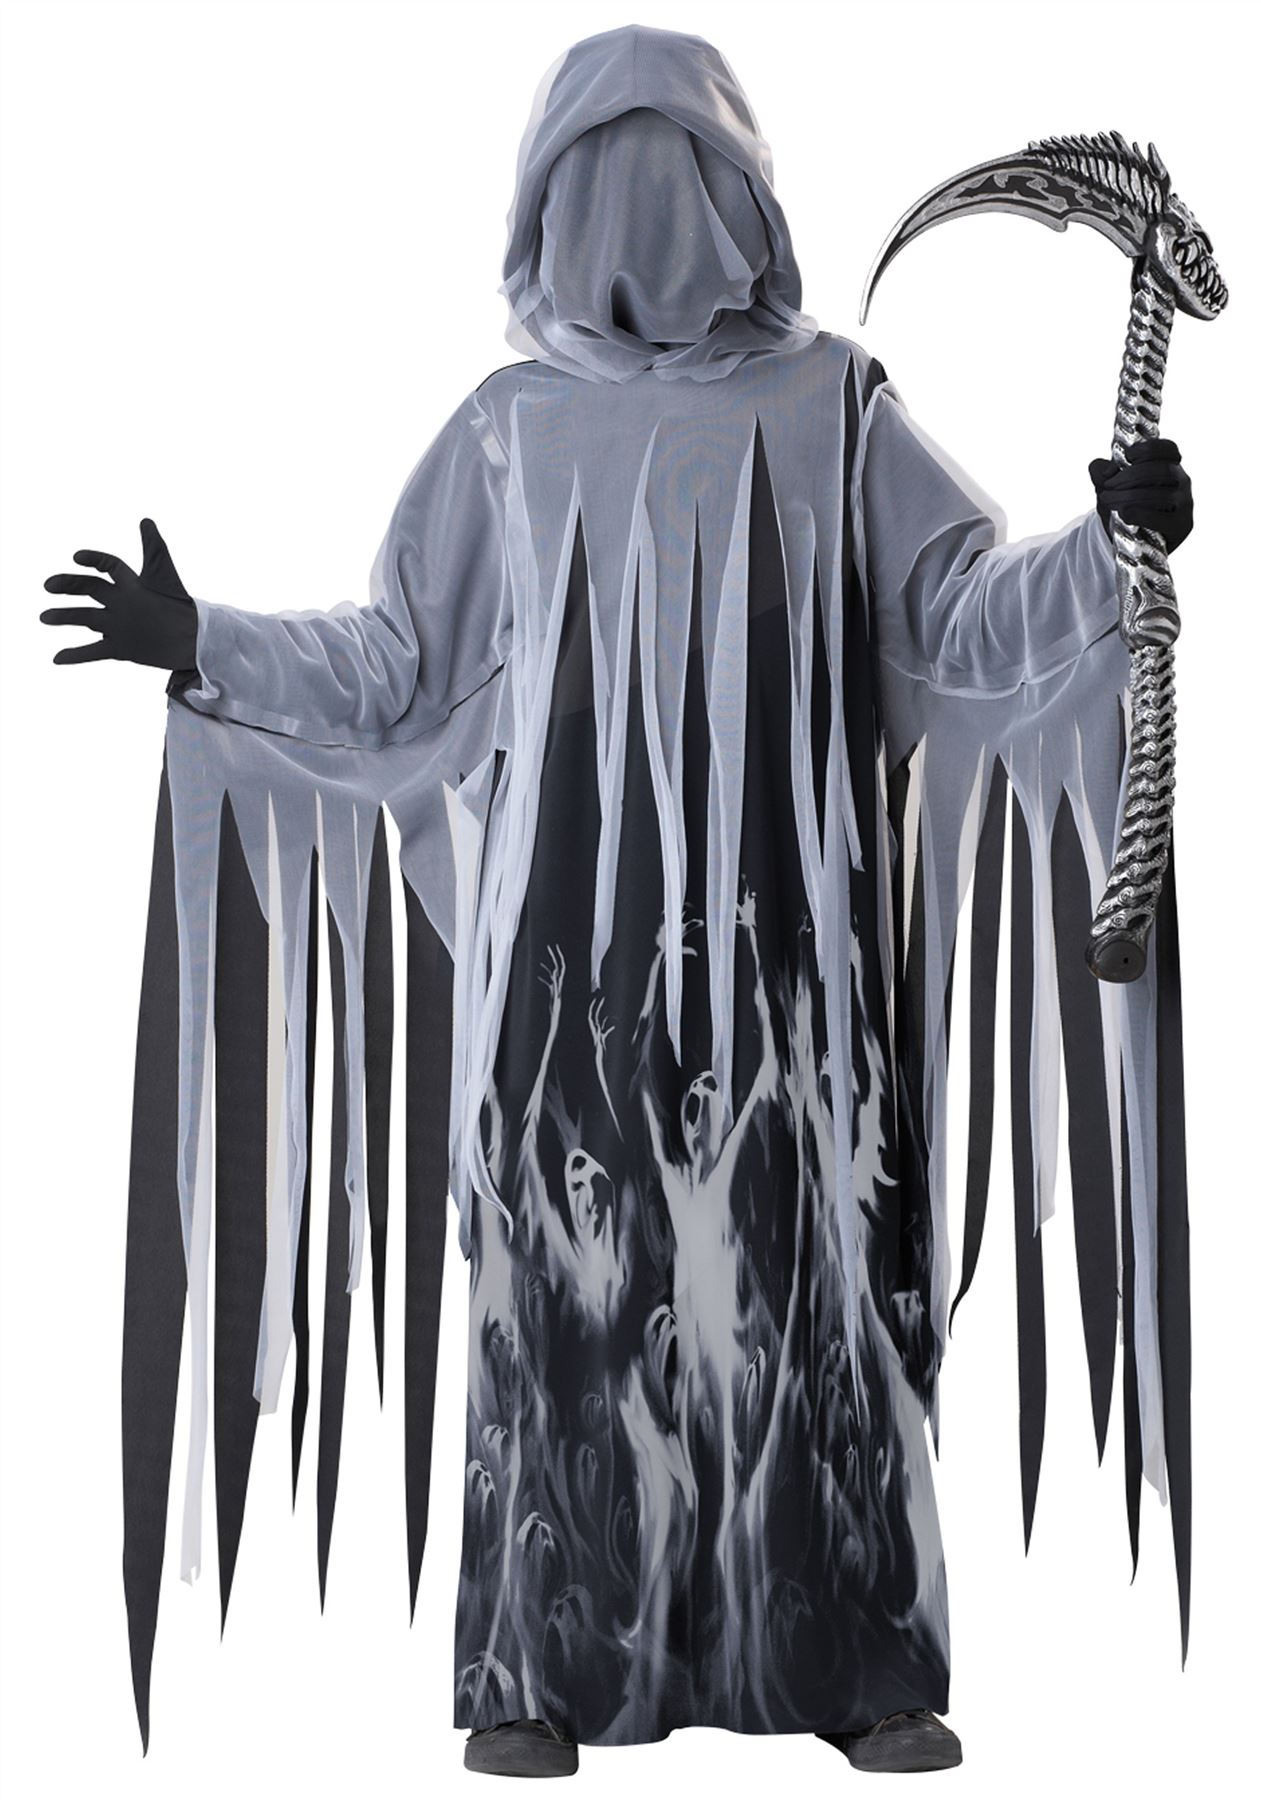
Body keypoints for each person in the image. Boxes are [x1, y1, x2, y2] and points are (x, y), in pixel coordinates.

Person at [39, 22, 1195, 1781]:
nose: (638, 208)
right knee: (565, 1289)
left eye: (676, 169)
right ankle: (536, 1666)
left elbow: (956, 616)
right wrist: (209, 642)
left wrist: (1104, 550)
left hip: (793, 973)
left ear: (741, 194)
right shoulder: (510, 429)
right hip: (564, 974)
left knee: (816, 1271)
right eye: (600, 172)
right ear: (546, 201)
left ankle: (861, 1658)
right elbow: (400, 662)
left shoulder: (832, 404)